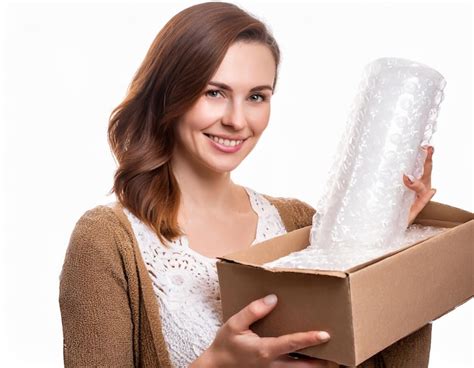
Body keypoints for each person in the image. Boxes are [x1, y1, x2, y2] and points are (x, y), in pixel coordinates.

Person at [58, 2, 436, 367]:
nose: (238, 120)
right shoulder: (107, 242)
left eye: (256, 96)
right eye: (214, 92)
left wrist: (390, 246)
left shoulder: (300, 223)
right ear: (168, 94)